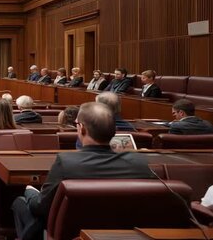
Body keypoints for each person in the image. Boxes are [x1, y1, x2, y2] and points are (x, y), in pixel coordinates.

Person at [11, 102, 155, 240]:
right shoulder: (139, 162)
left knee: (20, 202)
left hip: (73, 233)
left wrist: (29, 192)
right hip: (124, 235)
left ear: (82, 128)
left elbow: (41, 207)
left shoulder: (66, 162)